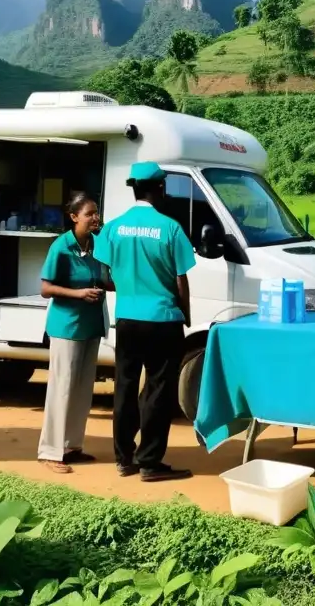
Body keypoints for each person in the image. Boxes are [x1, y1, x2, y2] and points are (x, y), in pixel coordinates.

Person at [93, 161, 196, 482]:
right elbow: (181, 280)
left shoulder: (113, 228)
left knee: (124, 386)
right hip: (163, 320)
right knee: (157, 389)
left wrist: (126, 287)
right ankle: (150, 461)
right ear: (160, 188)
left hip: (127, 319)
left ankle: (124, 458)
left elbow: (103, 275)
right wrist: (186, 312)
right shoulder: (170, 228)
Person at [37, 193, 112, 474]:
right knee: (61, 389)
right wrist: (78, 294)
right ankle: (49, 451)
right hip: (66, 327)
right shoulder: (61, 246)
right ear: (74, 217)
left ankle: (72, 447)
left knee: (81, 391)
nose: (95, 218)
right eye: (90, 214)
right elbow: (46, 288)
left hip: (91, 326)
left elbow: (104, 279)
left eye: (96, 213)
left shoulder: (96, 245)